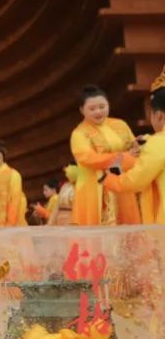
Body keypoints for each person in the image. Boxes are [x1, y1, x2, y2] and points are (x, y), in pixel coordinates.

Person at [70, 85, 141, 225]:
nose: (98, 111)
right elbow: (88, 159)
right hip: (94, 187)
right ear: (82, 110)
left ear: (108, 104)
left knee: (126, 225)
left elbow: (132, 146)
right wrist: (124, 157)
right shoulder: (79, 134)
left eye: (102, 107)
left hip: (120, 184)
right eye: (92, 109)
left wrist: (138, 147)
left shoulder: (120, 124)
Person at [104, 69, 165, 224]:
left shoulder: (159, 142)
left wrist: (111, 178)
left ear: (159, 115)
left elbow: (135, 180)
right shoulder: (154, 142)